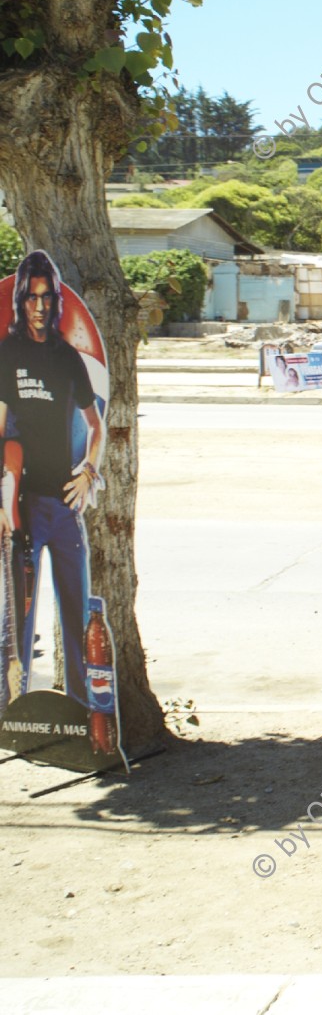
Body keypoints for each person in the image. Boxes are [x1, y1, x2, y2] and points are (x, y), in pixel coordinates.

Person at [0, 252, 104, 701]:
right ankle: (10, 711)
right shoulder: (8, 352)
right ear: (22, 300)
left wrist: (89, 472)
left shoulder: (66, 358)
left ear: (55, 302)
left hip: (65, 509)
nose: (39, 306)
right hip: (23, 510)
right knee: (16, 624)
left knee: (77, 616)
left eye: (47, 298)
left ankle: (84, 712)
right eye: (32, 297)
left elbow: (96, 424)